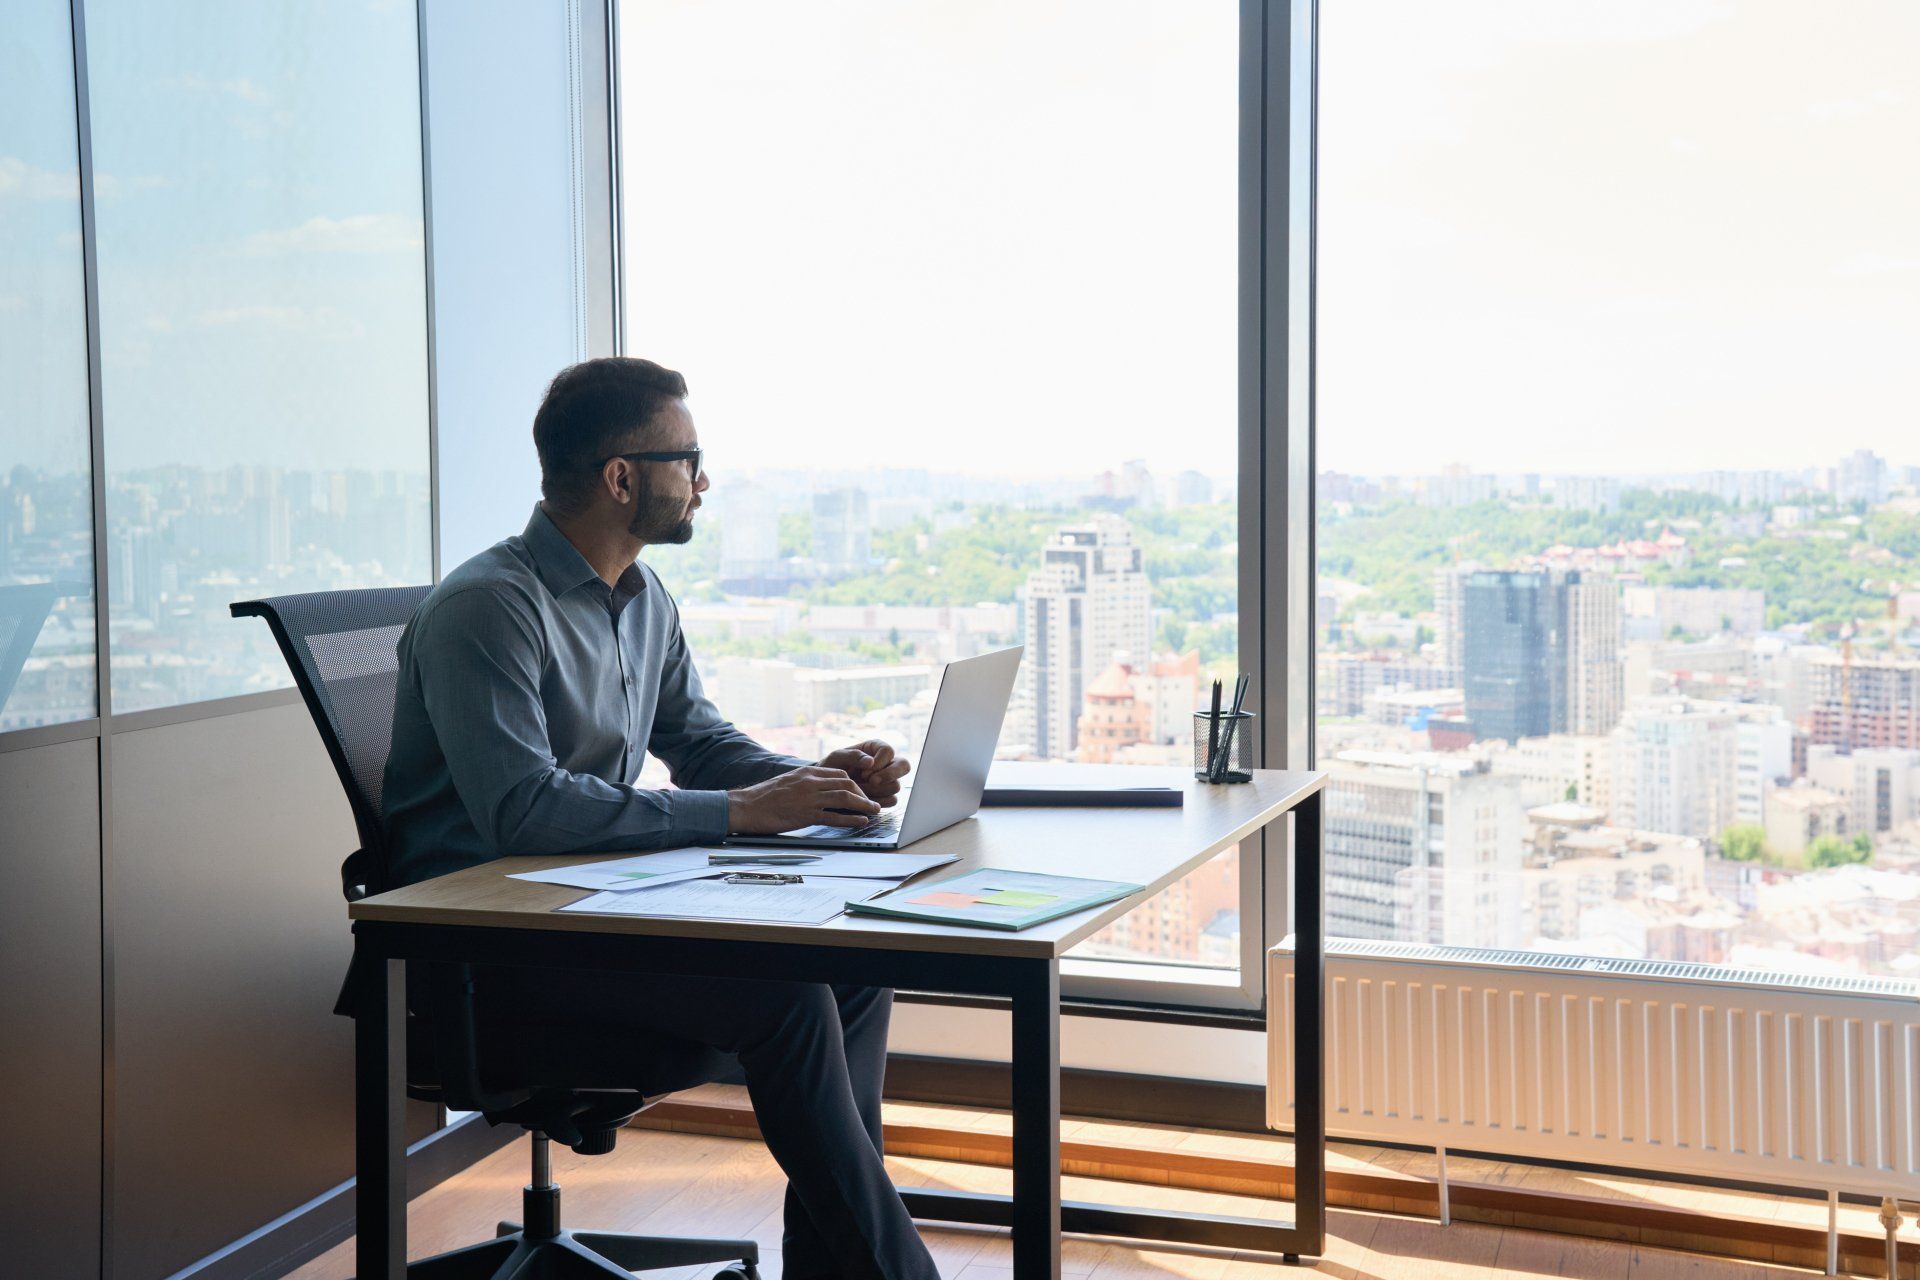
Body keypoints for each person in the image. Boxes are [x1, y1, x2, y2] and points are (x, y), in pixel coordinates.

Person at [380, 356, 937, 1280]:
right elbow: (524, 811)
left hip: (598, 910)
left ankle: (837, 1273)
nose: (705, 481)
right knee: (786, 998)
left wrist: (816, 781)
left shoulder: (643, 598)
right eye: (691, 457)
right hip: (492, 945)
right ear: (622, 477)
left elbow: (701, 742)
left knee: (854, 970)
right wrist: (744, 811)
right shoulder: (487, 610)